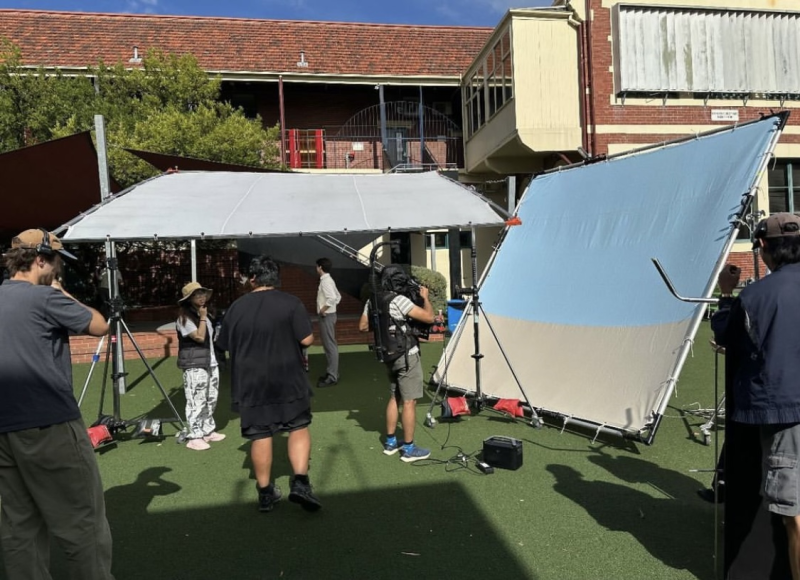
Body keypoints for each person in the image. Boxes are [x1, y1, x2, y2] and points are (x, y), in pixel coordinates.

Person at [0, 228, 114, 580]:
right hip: (49, 423)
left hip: (4, 429)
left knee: (18, 526)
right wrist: (61, 291)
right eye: (57, 263)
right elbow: (100, 325)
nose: (58, 270)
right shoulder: (45, 297)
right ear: (40, 260)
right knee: (80, 521)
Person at [711, 213, 800, 580]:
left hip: (786, 414)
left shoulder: (755, 296)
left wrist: (725, 294)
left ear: (762, 246)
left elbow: (726, 335)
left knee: (794, 514)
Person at [217, 255, 321, 513]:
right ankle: (301, 483)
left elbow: (224, 343)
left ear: (253, 278)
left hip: (250, 381)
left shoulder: (236, 307)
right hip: (289, 376)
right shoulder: (291, 303)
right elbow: (307, 339)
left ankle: (265, 493)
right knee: (298, 426)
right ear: (276, 278)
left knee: (260, 433)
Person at [359, 265, 435, 463]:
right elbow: (429, 317)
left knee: (395, 396)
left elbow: (363, 326)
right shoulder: (399, 300)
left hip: (388, 355)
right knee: (410, 401)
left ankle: (391, 442)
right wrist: (425, 298)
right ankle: (409, 448)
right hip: (406, 356)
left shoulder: (372, 300)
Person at [176, 281, 225, 451]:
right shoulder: (184, 319)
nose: (202, 297)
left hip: (210, 361)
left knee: (211, 397)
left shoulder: (206, 315)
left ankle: (207, 430)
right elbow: (199, 337)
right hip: (194, 363)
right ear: (189, 299)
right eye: (197, 295)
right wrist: (203, 317)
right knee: (196, 399)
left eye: (203, 293)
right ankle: (195, 436)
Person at [315, 257, 341, 387]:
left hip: (327, 316)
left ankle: (332, 376)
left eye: (317, 266)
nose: (316, 269)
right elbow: (338, 297)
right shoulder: (328, 280)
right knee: (330, 345)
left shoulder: (326, 281)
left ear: (320, 267)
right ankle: (332, 372)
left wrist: (322, 310)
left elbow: (332, 298)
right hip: (330, 315)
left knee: (330, 345)